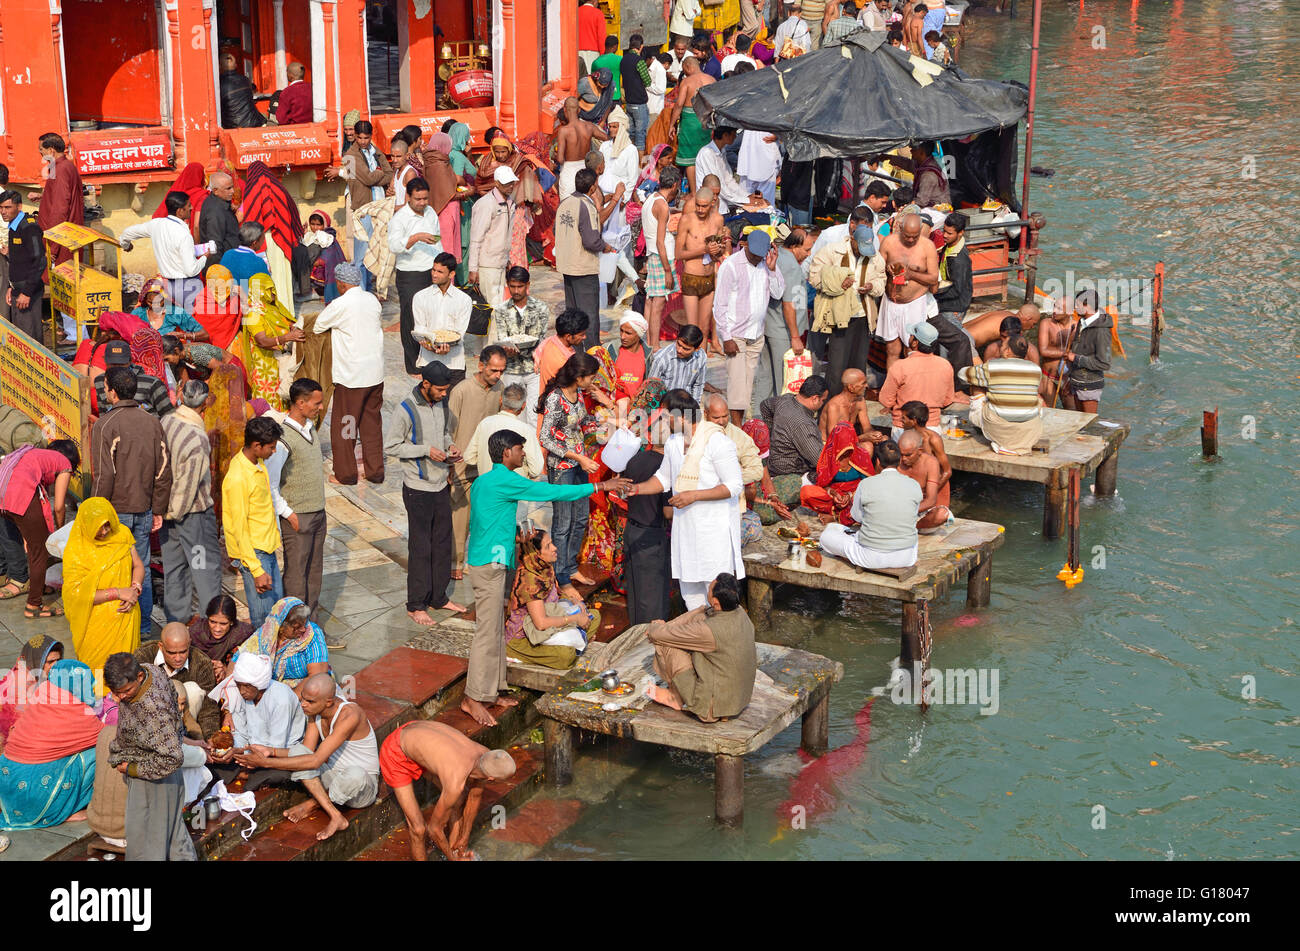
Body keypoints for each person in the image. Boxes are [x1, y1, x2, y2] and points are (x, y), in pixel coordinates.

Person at [463, 429, 628, 725]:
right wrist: (601, 485)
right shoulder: (505, 479)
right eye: (519, 449)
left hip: (492, 559)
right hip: (488, 565)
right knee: (486, 634)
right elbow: (553, 492)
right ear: (506, 454)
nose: (523, 454)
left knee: (495, 630)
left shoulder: (482, 482)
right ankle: (472, 698)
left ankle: (494, 689)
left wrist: (514, 536)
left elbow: (485, 520)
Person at [624, 389, 744, 609]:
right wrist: (635, 489)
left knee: (717, 591)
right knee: (691, 594)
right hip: (686, 532)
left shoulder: (717, 442)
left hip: (713, 533)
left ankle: (718, 640)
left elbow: (734, 485)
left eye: (665, 415)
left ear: (680, 417)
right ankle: (699, 638)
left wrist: (694, 496)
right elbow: (663, 478)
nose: (662, 419)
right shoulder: (673, 442)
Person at [233, 672, 379, 842]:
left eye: (309, 702)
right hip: (332, 775)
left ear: (329, 702)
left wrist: (265, 763)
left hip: (361, 789)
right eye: (302, 699)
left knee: (355, 775)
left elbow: (316, 760)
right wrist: (270, 751)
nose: (302, 705)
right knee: (299, 751)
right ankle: (335, 815)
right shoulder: (314, 712)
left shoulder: (350, 715)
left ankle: (312, 804)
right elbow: (306, 751)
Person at [385, 361, 468, 625]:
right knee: (421, 548)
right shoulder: (405, 409)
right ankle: (416, 604)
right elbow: (392, 446)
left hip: (440, 483)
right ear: (426, 384)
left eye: (447, 390)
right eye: (441, 390)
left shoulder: (441, 404)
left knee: (442, 544)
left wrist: (450, 448)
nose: (445, 395)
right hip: (418, 489)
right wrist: (424, 450)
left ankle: (439, 597)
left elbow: (444, 434)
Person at [92, 365, 173, 636]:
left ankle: (123, 626)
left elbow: (103, 476)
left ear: (112, 393)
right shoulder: (152, 421)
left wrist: (96, 515)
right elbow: (164, 471)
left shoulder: (105, 425)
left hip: (116, 512)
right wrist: (158, 508)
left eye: (105, 390)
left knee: (116, 569)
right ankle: (145, 627)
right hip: (146, 508)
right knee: (142, 568)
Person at [103, 652, 197, 861]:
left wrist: (132, 769)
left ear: (138, 677)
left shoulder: (152, 709)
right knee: (172, 832)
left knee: (145, 840)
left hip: (153, 775)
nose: (120, 698)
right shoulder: (150, 669)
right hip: (161, 770)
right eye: (115, 693)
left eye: (126, 691)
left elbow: (172, 758)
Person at [537, 351, 616, 598]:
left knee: (581, 518)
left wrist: (606, 422)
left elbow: (582, 423)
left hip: (581, 464)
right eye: (591, 377)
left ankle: (570, 567)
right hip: (562, 467)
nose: (592, 382)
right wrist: (577, 457)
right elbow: (546, 437)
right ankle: (560, 576)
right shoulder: (555, 399)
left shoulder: (579, 395)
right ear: (579, 376)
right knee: (563, 523)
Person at [379, 719, 516, 860]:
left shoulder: (487, 756)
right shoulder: (455, 781)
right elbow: (434, 829)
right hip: (396, 750)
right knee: (418, 829)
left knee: (460, 797)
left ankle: (456, 848)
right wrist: (452, 858)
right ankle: (452, 854)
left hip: (419, 734)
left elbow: (475, 797)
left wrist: (464, 839)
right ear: (491, 779)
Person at [0, 660, 100, 830]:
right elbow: (106, 735)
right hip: (37, 798)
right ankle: (66, 809)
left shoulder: (43, 696)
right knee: (100, 749)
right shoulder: (74, 710)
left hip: (8, 789)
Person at [643, 572, 756, 718]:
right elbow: (703, 612)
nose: (707, 591)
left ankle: (674, 697)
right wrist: (668, 627)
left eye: (709, 590)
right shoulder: (740, 611)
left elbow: (657, 636)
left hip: (711, 708)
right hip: (737, 701)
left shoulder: (709, 630)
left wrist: (655, 627)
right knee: (700, 614)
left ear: (716, 602)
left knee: (665, 643)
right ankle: (667, 628)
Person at [311, 262, 384, 485]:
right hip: (375, 374)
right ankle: (375, 472)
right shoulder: (372, 300)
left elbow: (318, 326)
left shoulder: (340, 304)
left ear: (341, 284)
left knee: (346, 424)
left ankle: (346, 474)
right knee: (371, 424)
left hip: (352, 377)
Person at [265, 378, 330, 627]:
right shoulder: (283, 440)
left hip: (317, 514)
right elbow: (270, 484)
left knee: (314, 572)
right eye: (317, 403)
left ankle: (311, 624)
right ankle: (293, 626)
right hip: (297, 517)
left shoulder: (310, 428)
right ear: (300, 403)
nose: (321, 407)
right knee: (296, 574)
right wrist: (288, 513)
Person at [158, 380, 220, 624]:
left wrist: (165, 512)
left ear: (182, 396)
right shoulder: (196, 438)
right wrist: (174, 512)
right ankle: (211, 622)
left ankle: (176, 621)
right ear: (205, 404)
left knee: (174, 567)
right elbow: (188, 485)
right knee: (204, 569)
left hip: (167, 512)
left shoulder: (167, 420)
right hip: (190, 515)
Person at [63, 500, 146, 678]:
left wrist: (135, 588)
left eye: (107, 525)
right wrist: (118, 592)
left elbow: (138, 565)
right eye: (99, 528)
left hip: (127, 616)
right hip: (96, 625)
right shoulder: (77, 550)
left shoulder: (122, 534)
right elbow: (75, 593)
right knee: (99, 679)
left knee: (127, 675)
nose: (105, 532)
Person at [505, 529, 604, 670]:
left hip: (552, 621)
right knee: (565, 656)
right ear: (537, 554)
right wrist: (575, 619)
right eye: (548, 546)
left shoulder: (545, 566)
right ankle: (516, 653)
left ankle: (577, 641)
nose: (555, 548)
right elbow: (540, 624)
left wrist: (574, 602)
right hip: (526, 637)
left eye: (551, 543)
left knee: (594, 617)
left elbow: (556, 593)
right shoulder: (530, 581)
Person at [818, 438, 922, 570]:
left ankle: (851, 557)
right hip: (906, 557)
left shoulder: (866, 484)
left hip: (871, 557)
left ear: (877, 462)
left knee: (828, 535)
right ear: (900, 460)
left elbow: (856, 517)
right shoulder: (914, 484)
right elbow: (912, 515)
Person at [447, 346, 507, 579]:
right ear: (481, 366)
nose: (497, 375)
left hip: (488, 463)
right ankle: (455, 561)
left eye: (501, 371)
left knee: (485, 513)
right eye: (493, 370)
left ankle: (480, 559)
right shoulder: (462, 390)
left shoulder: (499, 389)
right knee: (459, 514)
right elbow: (450, 430)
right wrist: (450, 463)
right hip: (462, 461)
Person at [715, 229, 784, 424]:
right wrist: (726, 338)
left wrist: (771, 269)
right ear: (745, 246)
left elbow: (778, 293)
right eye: (753, 254)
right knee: (737, 386)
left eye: (760, 255)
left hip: (756, 335)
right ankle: (738, 428)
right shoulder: (731, 266)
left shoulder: (766, 265)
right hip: (735, 335)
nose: (756, 258)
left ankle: (742, 424)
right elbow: (719, 305)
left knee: (747, 385)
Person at [0, 440, 77, 617]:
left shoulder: (35, 454)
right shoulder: (64, 463)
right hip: (18, 495)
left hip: (3, 495)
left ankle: (39, 585)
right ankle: (33, 606)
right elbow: (58, 506)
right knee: (40, 552)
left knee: (34, 544)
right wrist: (60, 531)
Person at [223, 415, 285, 629]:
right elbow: (238, 528)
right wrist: (257, 570)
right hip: (254, 555)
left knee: (278, 611)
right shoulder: (238, 477)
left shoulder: (257, 463)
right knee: (265, 620)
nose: (273, 451)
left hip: (266, 548)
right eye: (271, 447)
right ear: (257, 445)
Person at [809, 223, 885, 393]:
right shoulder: (832, 251)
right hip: (839, 316)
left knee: (858, 365)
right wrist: (838, 283)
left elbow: (882, 279)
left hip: (863, 315)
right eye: (860, 247)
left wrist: (872, 286)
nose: (862, 251)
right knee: (837, 366)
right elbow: (814, 277)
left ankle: (854, 407)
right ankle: (832, 406)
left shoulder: (875, 256)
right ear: (852, 239)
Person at [388, 177, 442, 374]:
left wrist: (442, 269)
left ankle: (430, 360)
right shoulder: (399, 219)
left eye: (425, 199)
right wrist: (416, 237)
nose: (422, 203)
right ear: (408, 197)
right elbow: (394, 246)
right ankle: (413, 365)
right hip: (410, 273)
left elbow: (437, 241)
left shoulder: (431, 213)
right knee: (410, 319)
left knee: (431, 317)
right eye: (418, 199)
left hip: (431, 271)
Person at [331, 120, 393, 291]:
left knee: (376, 253)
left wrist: (378, 174)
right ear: (355, 137)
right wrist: (379, 173)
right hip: (362, 209)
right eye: (360, 137)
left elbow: (389, 173)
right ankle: (361, 292)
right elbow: (368, 179)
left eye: (366, 138)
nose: (363, 141)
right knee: (361, 256)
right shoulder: (350, 155)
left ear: (370, 136)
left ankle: (369, 290)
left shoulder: (375, 151)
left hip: (379, 207)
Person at [555, 168, 612, 350]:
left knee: (573, 313)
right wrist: (605, 246)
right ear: (593, 186)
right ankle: (590, 353)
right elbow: (590, 240)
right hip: (583, 267)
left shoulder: (564, 202)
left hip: (567, 265)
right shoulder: (586, 206)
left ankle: (574, 351)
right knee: (588, 316)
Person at [133, 622, 220, 738]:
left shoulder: (201, 663)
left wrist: (211, 738)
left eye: (183, 652)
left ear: (189, 644)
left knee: (193, 689)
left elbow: (209, 707)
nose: (178, 658)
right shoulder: (143, 657)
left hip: (187, 719)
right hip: (151, 722)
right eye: (172, 653)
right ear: (161, 646)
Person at [877, 212, 940, 368]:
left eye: (915, 236)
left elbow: (933, 278)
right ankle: (893, 384)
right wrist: (887, 269)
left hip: (914, 303)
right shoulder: (888, 242)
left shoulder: (927, 246)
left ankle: (909, 386)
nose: (911, 240)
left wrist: (911, 274)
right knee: (892, 349)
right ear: (899, 228)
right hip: (891, 301)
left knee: (911, 348)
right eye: (907, 236)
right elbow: (876, 269)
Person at [492, 266, 550, 425]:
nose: (516, 290)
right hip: (512, 370)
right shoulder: (501, 310)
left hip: (534, 370)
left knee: (533, 415)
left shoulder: (541, 308)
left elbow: (540, 340)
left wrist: (522, 350)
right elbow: (503, 337)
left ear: (528, 285)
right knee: (514, 416)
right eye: (512, 286)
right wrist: (507, 350)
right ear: (507, 285)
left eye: (520, 286)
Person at [879, 321, 957, 437]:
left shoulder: (900, 366)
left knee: (904, 455)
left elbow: (886, 399)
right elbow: (948, 399)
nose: (909, 338)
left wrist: (896, 408)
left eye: (911, 336)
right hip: (932, 427)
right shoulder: (945, 365)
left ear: (915, 343)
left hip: (903, 427)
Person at [760, 375, 830, 502]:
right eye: (823, 400)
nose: (822, 404)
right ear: (815, 398)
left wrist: (772, 434)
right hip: (790, 472)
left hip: (775, 461)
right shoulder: (802, 424)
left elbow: (765, 405)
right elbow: (819, 461)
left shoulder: (786, 399)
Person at [234, 596, 330, 688]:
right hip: (272, 690)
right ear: (281, 626)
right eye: (296, 627)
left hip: (306, 689)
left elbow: (317, 676)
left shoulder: (312, 634)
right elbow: (238, 659)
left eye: (304, 623)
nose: (303, 629)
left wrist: (290, 700)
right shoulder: (267, 633)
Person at [240, 272, 302, 409]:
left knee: (283, 396)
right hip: (265, 366)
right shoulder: (253, 313)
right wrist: (287, 337)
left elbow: (290, 322)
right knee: (267, 403)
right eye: (269, 290)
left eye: (273, 288)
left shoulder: (274, 306)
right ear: (260, 291)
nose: (273, 293)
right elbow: (262, 341)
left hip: (281, 361)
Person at [959, 357, 1044, 454]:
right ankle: (1013, 443)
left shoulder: (993, 366)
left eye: (1003, 344)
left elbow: (962, 374)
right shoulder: (1036, 369)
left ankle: (1003, 441)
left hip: (998, 429)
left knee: (975, 382)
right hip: (1030, 432)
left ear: (1008, 350)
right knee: (1035, 399)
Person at [120, 191, 210, 281]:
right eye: (189, 206)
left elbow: (127, 233)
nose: (192, 208)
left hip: (170, 284)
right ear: (180, 211)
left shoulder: (156, 224)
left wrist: (126, 245)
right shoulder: (184, 234)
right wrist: (205, 257)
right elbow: (191, 270)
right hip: (187, 285)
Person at [676, 185, 726, 343]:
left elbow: (718, 251)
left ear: (712, 203)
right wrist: (703, 250)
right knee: (692, 329)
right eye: (697, 204)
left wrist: (719, 250)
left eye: (704, 206)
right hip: (691, 276)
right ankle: (689, 365)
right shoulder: (687, 220)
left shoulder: (718, 219)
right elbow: (678, 254)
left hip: (709, 277)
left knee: (704, 329)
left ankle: (701, 365)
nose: (700, 209)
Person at [463, 383, 544, 480]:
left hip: (488, 484)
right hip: (515, 487)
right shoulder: (525, 429)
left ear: (501, 400)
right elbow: (536, 469)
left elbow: (469, 458)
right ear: (523, 406)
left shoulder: (484, 423)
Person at [800, 421, 876, 523]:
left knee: (867, 502)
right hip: (835, 497)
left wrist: (850, 495)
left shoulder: (861, 456)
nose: (845, 450)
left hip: (855, 495)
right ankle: (841, 515)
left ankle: (835, 517)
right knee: (806, 492)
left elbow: (869, 485)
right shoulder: (828, 457)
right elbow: (822, 484)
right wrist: (832, 493)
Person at [931, 211, 975, 377]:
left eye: (949, 233)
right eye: (944, 231)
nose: (945, 235)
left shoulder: (959, 259)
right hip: (947, 301)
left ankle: (951, 378)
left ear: (960, 232)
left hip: (953, 306)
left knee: (948, 347)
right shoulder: (949, 248)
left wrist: (936, 295)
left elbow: (957, 289)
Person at [641, 166, 681, 350]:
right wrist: (667, 271)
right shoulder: (661, 205)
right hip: (660, 256)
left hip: (653, 255)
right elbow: (660, 241)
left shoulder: (652, 198)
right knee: (658, 303)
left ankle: (649, 342)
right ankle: (655, 345)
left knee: (650, 302)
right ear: (674, 185)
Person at [0, 190, 47, 343]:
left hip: (28, 292)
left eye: (7, 207)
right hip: (17, 290)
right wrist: (10, 286)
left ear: (19, 207)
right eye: (1, 208)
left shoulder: (29, 227)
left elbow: (40, 260)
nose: (3, 212)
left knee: (30, 339)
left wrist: (26, 293)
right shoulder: (14, 225)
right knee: (21, 338)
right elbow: (20, 258)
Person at [468, 166, 517, 308]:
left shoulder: (510, 203)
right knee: (493, 307)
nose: (511, 186)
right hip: (487, 265)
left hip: (501, 264)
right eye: (507, 183)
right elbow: (476, 238)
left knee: (501, 304)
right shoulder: (486, 204)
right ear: (497, 183)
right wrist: (473, 268)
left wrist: (507, 259)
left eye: (512, 182)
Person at [34, 133, 84, 272]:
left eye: (41, 150)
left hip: (62, 241)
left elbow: (60, 209)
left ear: (51, 151)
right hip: (66, 236)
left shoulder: (61, 169)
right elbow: (59, 197)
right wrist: (42, 197)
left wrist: (52, 248)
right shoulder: (66, 166)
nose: (40, 154)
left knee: (61, 283)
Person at [0, 635, 62, 746]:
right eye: (50, 662)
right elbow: (23, 727)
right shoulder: (23, 688)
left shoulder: (33, 670)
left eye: (59, 660)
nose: (56, 665)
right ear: (36, 661)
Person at [670, 56, 715, 191]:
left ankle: (694, 192)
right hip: (706, 120)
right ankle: (707, 188)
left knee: (690, 158)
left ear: (689, 67)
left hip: (690, 121)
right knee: (705, 155)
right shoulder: (712, 80)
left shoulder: (687, 82)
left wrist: (672, 124)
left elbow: (679, 104)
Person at [1064, 289, 1112, 413]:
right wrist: (1070, 378)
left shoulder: (1101, 331)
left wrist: (1075, 358)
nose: (1075, 308)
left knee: (1089, 424)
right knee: (1079, 422)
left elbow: (1104, 363)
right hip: (1077, 381)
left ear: (1087, 306)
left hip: (1089, 385)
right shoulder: (1082, 322)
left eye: (1077, 305)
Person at [555, 97, 608, 202]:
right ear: (579, 110)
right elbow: (606, 138)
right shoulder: (589, 126)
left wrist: (554, 156)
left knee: (568, 208)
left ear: (565, 110)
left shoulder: (563, 131)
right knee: (585, 205)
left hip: (568, 172)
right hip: (585, 172)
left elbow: (560, 159)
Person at [897, 428, 950, 532]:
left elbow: (930, 500)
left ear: (919, 451)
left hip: (920, 512)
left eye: (908, 455)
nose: (903, 459)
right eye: (901, 454)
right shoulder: (894, 460)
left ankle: (910, 528)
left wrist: (907, 512)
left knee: (942, 515)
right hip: (897, 510)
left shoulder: (930, 462)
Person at [189, 595, 251, 679]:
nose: (217, 629)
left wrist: (226, 669)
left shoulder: (243, 633)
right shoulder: (195, 632)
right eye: (213, 622)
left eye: (223, 624)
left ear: (231, 622)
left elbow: (249, 666)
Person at [648, 323, 710, 402]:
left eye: (686, 349)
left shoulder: (701, 357)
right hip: (664, 405)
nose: (679, 350)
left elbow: (698, 385)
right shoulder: (662, 358)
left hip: (686, 404)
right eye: (678, 344)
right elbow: (651, 388)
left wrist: (694, 410)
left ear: (696, 349)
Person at [535, 307, 590, 395]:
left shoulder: (550, 341)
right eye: (582, 335)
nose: (584, 337)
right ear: (568, 336)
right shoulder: (563, 361)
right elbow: (576, 386)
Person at [820, 368, 880, 442]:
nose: (867, 386)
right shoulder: (834, 406)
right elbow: (834, 439)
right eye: (863, 383)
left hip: (848, 442)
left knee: (883, 440)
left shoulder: (860, 401)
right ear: (851, 387)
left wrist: (874, 435)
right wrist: (861, 438)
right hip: (828, 446)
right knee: (867, 446)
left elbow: (867, 427)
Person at [198, 171, 242, 263]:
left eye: (232, 187)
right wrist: (219, 270)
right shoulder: (215, 210)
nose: (232, 191)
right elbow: (215, 244)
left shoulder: (221, 203)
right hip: (222, 265)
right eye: (228, 189)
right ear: (215, 191)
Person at [1038, 301, 1074, 406]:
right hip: (1048, 377)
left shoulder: (1076, 326)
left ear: (1069, 312)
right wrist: (1066, 354)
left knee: (1072, 412)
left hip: (1067, 379)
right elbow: (1043, 351)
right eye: (1054, 307)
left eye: (1059, 309)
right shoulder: (1046, 323)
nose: (1054, 311)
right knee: (1047, 411)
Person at [219, 50, 267, 129]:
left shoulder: (219, 84)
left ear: (219, 66)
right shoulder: (245, 80)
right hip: (255, 122)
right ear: (236, 65)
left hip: (234, 126)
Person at [621, 35, 652, 151]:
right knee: (640, 134)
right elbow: (648, 81)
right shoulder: (639, 61)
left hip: (628, 102)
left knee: (631, 133)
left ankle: (630, 159)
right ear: (641, 46)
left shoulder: (623, 59)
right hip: (639, 103)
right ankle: (639, 164)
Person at [219, 220, 273, 285]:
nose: (263, 241)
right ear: (254, 243)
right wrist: (268, 272)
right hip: (245, 294)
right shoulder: (258, 262)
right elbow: (267, 288)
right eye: (263, 239)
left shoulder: (227, 254)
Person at [577, 0, 607, 72]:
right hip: (593, 53)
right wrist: (603, 54)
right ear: (594, 1)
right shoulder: (598, 14)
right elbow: (601, 37)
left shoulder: (576, 12)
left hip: (577, 51)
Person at [592, 35, 624, 99]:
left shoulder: (596, 62)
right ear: (615, 46)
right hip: (615, 96)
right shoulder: (620, 59)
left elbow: (593, 81)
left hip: (601, 97)